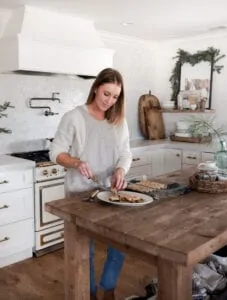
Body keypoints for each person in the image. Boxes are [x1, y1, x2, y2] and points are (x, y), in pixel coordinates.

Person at [50, 68, 132, 300]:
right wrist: (75, 162)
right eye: (106, 94)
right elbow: (55, 152)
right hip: (80, 195)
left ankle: (108, 289)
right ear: (96, 87)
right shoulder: (74, 117)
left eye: (115, 97)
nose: (109, 101)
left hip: (110, 193)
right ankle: (91, 293)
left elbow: (126, 153)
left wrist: (120, 169)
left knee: (119, 243)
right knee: (86, 248)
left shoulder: (118, 121)